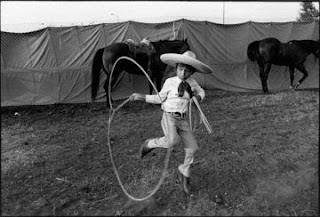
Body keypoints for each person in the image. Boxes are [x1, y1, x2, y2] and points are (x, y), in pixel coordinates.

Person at [129, 50, 213, 194]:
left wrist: (198, 98)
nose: (183, 73)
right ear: (176, 68)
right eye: (181, 69)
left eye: (187, 71)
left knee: (192, 148)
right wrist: (141, 97)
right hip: (169, 117)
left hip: (184, 119)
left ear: (192, 72)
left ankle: (184, 173)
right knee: (171, 141)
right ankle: (149, 144)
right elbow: (159, 98)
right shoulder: (170, 82)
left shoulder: (193, 83)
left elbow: (202, 92)